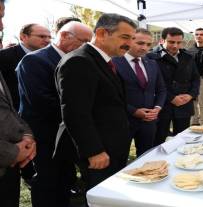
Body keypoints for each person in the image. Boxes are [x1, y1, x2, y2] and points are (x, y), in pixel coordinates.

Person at [54, 13, 137, 190]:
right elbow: (76, 113)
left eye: (132, 38)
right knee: (101, 195)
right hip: (99, 152)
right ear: (101, 33)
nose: (129, 44)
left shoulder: (103, 60)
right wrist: (94, 151)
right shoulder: (79, 61)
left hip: (112, 146)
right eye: (125, 37)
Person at [16, 21, 92, 207]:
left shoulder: (78, 60)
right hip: (45, 135)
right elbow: (42, 101)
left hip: (67, 133)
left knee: (65, 177)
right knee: (47, 181)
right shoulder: (34, 60)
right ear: (65, 36)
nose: (86, 46)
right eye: (83, 41)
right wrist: (81, 114)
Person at [0, 1, 37, 207]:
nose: (2, 26)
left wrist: (27, 135)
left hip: (11, 167)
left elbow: (8, 105)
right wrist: (13, 152)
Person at [112, 28, 166, 157]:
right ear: (130, 41)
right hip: (123, 121)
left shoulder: (152, 63)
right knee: (119, 158)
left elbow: (161, 89)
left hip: (149, 121)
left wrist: (157, 108)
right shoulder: (114, 62)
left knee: (146, 157)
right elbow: (112, 95)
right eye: (140, 43)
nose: (145, 48)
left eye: (148, 45)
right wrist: (133, 111)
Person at [148, 27, 200, 146]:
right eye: (171, 42)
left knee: (182, 139)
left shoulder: (188, 57)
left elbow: (195, 78)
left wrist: (191, 95)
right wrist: (171, 98)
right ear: (162, 40)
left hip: (184, 104)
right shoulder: (152, 57)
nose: (175, 46)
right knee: (159, 139)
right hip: (162, 105)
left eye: (179, 42)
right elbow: (153, 83)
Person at [0, 23, 51, 110]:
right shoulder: (4, 57)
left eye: (49, 37)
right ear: (23, 37)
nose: (47, 40)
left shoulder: (50, 57)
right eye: (42, 36)